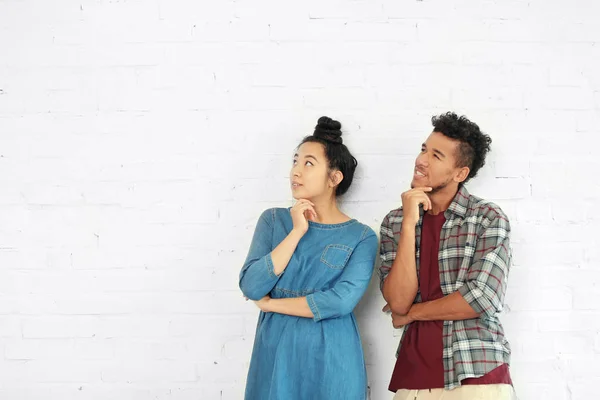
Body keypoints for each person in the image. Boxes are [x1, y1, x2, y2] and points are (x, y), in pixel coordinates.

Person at [379, 112, 516, 400]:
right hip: (412, 375)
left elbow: (481, 297)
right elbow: (397, 301)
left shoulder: (487, 218)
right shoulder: (394, 222)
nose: (422, 160)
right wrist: (408, 223)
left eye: (436, 155)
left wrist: (412, 314)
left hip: (477, 374)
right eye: (423, 149)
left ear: (460, 173)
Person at [240, 116, 378, 400]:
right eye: (295, 161)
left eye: (308, 163)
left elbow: (341, 301)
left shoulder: (361, 237)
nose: (296, 172)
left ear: (334, 177)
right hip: (276, 353)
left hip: (332, 359)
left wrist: (270, 304)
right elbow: (251, 285)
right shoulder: (274, 221)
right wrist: (297, 232)